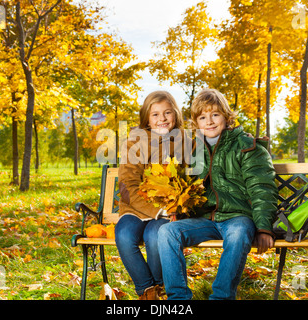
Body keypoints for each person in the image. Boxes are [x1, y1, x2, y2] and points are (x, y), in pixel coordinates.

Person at [157, 88, 278, 300]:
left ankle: (221, 297)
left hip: (238, 217)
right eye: (202, 117)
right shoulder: (192, 150)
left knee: (239, 233)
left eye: (215, 115)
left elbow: (262, 189)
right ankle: (178, 300)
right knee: (167, 232)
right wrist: (179, 210)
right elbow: (186, 188)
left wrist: (263, 227)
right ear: (196, 122)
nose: (209, 121)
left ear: (226, 116)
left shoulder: (247, 147)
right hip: (204, 219)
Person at [116, 90, 186, 300]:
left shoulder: (186, 141)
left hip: (169, 210)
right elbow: (128, 185)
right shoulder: (134, 143)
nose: (162, 119)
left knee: (154, 236)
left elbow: (214, 144)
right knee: (124, 236)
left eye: (167, 113)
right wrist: (157, 210)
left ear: (175, 114)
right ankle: (147, 291)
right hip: (136, 209)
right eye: (155, 114)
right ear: (147, 117)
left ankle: (157, 290)